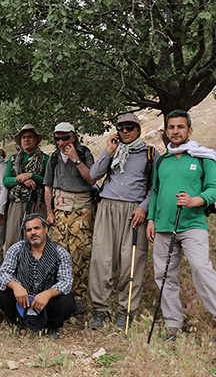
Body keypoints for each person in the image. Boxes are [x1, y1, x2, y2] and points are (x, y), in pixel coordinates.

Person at [147, 109, 216, 341]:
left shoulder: (203, 157)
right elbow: (155, 192)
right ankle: (173, 325)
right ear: (166, 132)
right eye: (171, 128)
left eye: (180, 127)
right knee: (164, 275)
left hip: (193, 224)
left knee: (201, 269)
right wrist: (151, 220)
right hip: (164, 226)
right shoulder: (162, 161)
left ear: (190, 130)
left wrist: (194, 200)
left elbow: (213, 189)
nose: (175, 131)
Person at [88, 113, 157, 330]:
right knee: (102, 259)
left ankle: (125, 311)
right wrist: (108, 151)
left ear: (138, 129)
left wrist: (143, 208)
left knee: (131, 262)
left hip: (133, 211)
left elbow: (154, 187)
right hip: (107, 207)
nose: (124, 131)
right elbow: (94, 174)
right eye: (121, 128)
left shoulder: (150, 153)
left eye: (129, 127)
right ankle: (100, 310)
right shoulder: (113, 150)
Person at [0, 214, 76, 338]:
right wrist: (16, 286)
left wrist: (48, 294)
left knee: (67, 301)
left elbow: (66, 282)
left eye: (37, 228)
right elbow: (3, 273)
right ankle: (21, 322)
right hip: (22, 300)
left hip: (47, 302)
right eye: (29, 230)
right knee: (1, 293)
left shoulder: (60, 253)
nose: (33, 232)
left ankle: (51, 326)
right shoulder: (17, 248)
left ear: (46, 229)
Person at [44, 122, 95, 314]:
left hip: (81, 210)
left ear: (73, 137)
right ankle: (59, 293)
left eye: (65, 138)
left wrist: (75, 159)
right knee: (58, 253)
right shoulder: (54, 158)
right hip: (59, 211)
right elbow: (48, 186)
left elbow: (91, 179)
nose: (61, 142)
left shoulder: (83, 153)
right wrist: (49, 212)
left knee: (80, 252)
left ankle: (79, 296)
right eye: (57, 138)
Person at [3, 124, 49, 251]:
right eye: (23, 137)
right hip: (17, 204)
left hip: (38, 204)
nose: (26, 140)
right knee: (14, 239)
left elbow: (49, 181)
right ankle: (15, 269)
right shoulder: (13, 159)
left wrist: (32, 176)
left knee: (37, 240)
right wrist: (22, 180)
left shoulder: (45, 159)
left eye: (29, 137)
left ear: (36, 140)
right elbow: (6, 180)